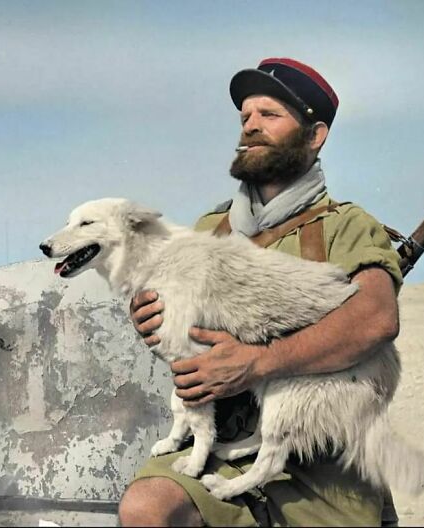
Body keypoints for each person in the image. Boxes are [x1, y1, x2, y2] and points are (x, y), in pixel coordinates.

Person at [119, 57, 404, 527]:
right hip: (219, 444)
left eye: (269, 116)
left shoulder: (347, 226)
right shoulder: (210, 228)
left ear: (315, 136)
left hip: (320, 468)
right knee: (146, 508)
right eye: (245, 117)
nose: (250, 127)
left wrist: (258, 363)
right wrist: (149, 311)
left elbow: (376, 318)